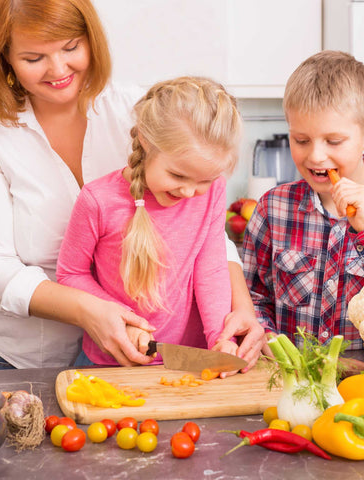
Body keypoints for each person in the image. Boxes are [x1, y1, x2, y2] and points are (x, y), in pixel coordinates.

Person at [0, 0, 265, 370]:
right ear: (3, 58)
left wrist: (240, 310)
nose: (58, 69)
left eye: (70, 47)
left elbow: (203, 236)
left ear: (91, 40)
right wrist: (92, 311)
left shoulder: (138, 110)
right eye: (34, 58)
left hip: (144, 360)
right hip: (28, 359)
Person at [57, 76, 247, 371]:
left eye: (204, 180)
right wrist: (123, 320)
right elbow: (71, 273)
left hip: (187, 363)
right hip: (109, 364)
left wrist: (219, 340)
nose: (188, 191)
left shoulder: (213, 193)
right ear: (146, 140)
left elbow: (210, 268)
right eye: (178, 176)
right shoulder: (97, 200)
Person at [241, 50, 364, 349]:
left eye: (333, 141)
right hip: (290, 383)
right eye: (301, 140)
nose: (315, 156)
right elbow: (252, 296)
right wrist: (269, 340)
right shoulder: (273, 209)